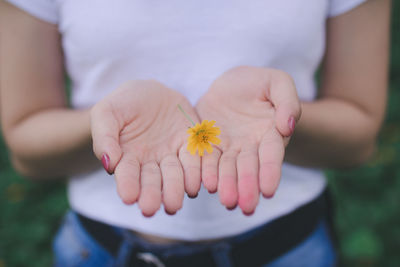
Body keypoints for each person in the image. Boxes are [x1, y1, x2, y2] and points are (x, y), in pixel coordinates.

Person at [0, 0, 390, 266]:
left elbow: (358, 140)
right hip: (100, 249)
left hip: (287, 249)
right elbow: (26, 145)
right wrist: (108, 124)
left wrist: (279, 118)